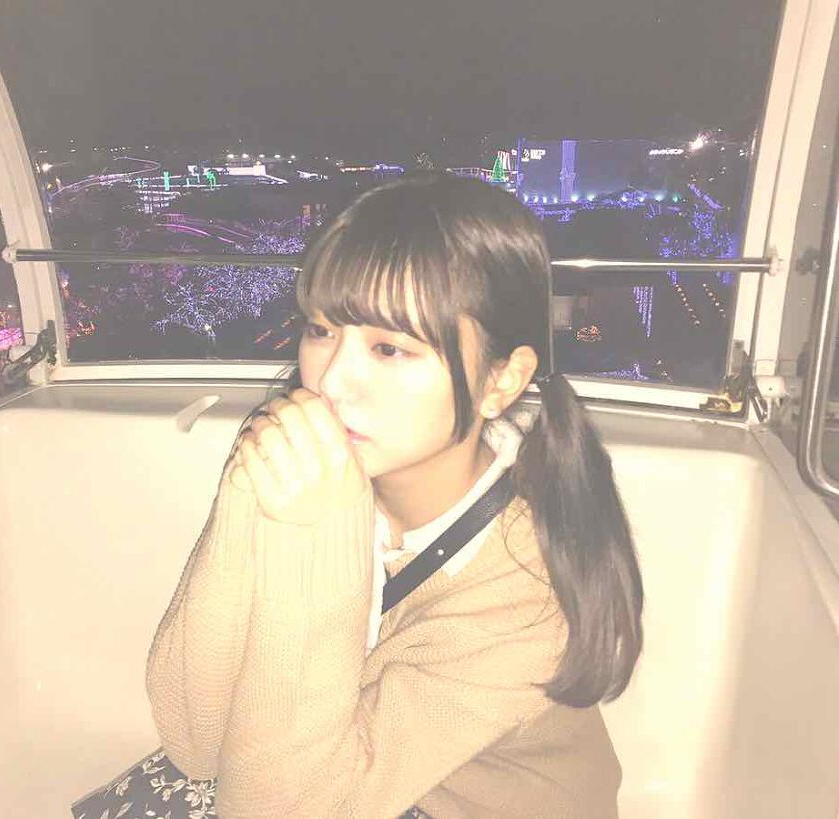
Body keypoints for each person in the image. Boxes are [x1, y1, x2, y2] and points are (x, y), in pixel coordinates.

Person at [73, 174, 644, 819]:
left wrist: (312, 536)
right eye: (321, 330)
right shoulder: (319, 470)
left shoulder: (524, 590)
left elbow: (278, 811)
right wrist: (246, 494)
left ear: (500, 381)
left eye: (389, 348)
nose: (331, 382)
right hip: (337, 770)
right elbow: (194, 742)